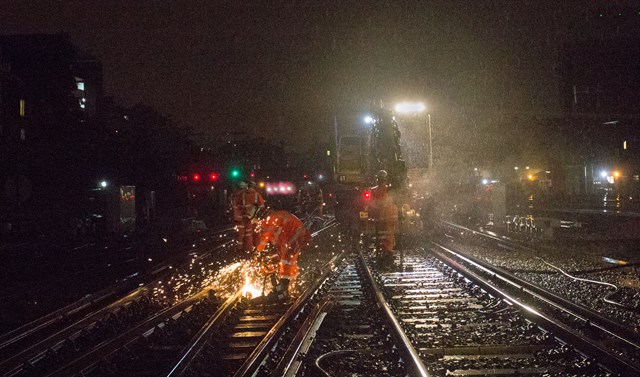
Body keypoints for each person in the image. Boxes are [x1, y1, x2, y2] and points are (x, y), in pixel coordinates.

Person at [254, 209, 312, 300]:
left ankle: (283, 288)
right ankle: (290, 284)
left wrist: (258, 251)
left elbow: (264, 238)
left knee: (285, 260)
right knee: (290, 260)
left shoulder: (267, 221)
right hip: (297, 233)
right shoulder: (274, 216)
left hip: (292, 235)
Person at [369, 170, 398, 269]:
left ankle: (384, 254)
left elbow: (371, 204)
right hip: (386, 219)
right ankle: (386, 254)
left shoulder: (374, 191)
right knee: (387, 237)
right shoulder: (388, 191)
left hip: (382, 219)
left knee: (383, 236)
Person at [230, 181, 265, 254]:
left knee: (240, 234)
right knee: (253, 233)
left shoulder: (240, 195)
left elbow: (237, 206)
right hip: (253, 217)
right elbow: (262, 206)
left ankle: (240, 249)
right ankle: (254, 249)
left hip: (242, 217)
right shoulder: (256, 194)